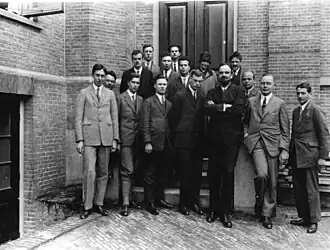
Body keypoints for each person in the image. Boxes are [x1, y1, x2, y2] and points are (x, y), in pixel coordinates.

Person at [244, 73, 290, 229]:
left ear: (273, 86)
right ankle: (259, 202)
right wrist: (246, 136)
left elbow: (285, 129)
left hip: (273, 145)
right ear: (259, 84)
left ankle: (266, 214)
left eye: (268, 83)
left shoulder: (280, 104)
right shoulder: (251, 102)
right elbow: (245, 121)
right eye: (263, 83)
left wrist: (284, 149)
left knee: (272, 181)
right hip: (256, 142)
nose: (265, 86)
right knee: (262, 174)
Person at [75, 64, 119, 219]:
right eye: (98, 75)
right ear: (92, 75)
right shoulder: (84, 93)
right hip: (89, 137)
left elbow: (114, 118)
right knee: (89, 172)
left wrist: (115, 139)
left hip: (106, 137)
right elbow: (78, 117)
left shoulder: (110, 94)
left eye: (102, 76)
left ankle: (99, 203)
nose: (100, 78)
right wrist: (79, 139)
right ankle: (87, 206)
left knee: (103, 172)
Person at [205, 63, 246, 228]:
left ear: (231, 75)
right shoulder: (211, 92)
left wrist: (217, 108)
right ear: (217, 75)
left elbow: (238, 110)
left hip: (231, 140)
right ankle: (213, 210)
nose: (224, 75)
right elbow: (206, 109)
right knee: (213, 175)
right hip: (214, 140)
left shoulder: (239, 91)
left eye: (227, 72)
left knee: (228, 174)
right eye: (221, 72)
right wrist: (223, 107)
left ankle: (225, 212)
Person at [289, 81, 329, 234]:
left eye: (303, 93)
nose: (300, 96)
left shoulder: (315, 110)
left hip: (310, 156)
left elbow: (324, 134)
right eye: (298, 93)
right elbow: (294, 135)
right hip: (297, 156)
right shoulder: (296, 111)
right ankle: (304, 217)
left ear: (309, 94)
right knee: (299, 189)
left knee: (311, 190)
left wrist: (322, 157)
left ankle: (313, 220)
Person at [169, 69, 205, 216]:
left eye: (200, 81)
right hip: (183, 140)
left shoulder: (202, 96)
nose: (197, 84)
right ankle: (183, 203)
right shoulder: (180, 96)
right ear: (190, 80)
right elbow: (173, 119)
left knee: (197, 173)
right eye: (195, 81)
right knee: (184, 172)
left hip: (198, 140)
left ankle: (193, 201)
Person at [140, 75, 174, 215]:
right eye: (160, 84)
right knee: (150, 173)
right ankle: (150, 202)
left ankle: (160, 199)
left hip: (166, 142)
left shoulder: (169, 103)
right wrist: (147, 142)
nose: (162, 87)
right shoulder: (148, 102)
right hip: (153, 143)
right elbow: (144, 124)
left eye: (164, 84)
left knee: (162, 172)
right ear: (154, 86)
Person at [117, 72, 144, 217]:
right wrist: (117, 139)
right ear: (128, 83)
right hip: (125, 139)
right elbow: (116, 120)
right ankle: (125, 203)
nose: (135, 85)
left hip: (138, 140)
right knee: (127, 170)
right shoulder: (120, 98)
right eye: (133, 82)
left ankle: (130, 198)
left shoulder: (140, 100)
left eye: (137, 83)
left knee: (134, 170)